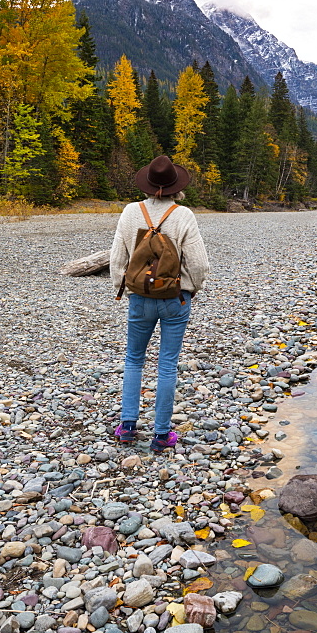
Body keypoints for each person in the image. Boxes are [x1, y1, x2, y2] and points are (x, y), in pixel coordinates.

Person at [110, 155, 209, 452]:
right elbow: (200, 265)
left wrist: (122, 287)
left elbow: (117, 258)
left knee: (133, 359)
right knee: (167, 364)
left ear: (148, 183)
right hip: (174, 298)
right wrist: (191, 289)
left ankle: (127, 427)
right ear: (175, 186)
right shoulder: (183, 215)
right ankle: (161, 434)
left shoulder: (130, 212)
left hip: (139, 298)